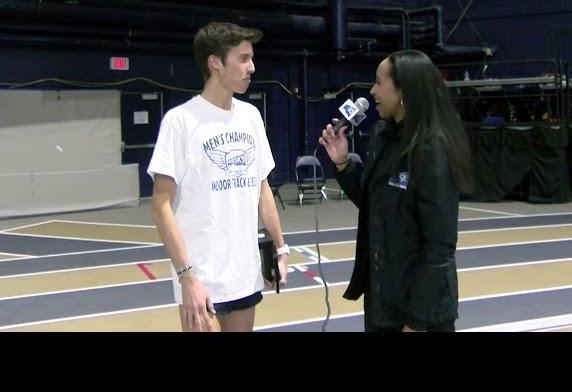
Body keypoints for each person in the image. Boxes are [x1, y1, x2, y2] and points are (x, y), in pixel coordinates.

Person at [148, 22, 289, 332]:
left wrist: (280, 249)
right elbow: (161, 206)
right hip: (201, 279)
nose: (252, 67)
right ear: (215, 62)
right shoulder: (180, 122)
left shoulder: (251, 116)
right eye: (242, 58)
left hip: (244, 274)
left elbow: (262, 188)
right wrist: (187, 277)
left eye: (251, 58)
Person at [319, 49, 472, 332]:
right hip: (383, 300)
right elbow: (373, 201)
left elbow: (439, 247)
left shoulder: (432, 148)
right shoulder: (383, 135)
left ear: (404, 90)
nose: (373, 91)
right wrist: (342, 163)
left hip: (422, 312)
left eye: (379, 82)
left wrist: (416, 322)